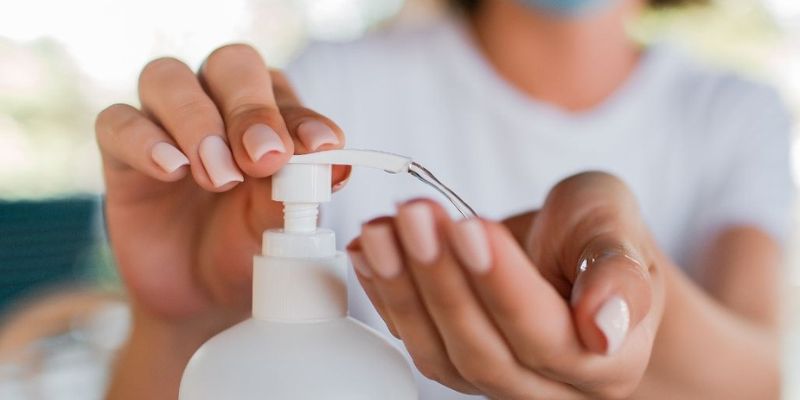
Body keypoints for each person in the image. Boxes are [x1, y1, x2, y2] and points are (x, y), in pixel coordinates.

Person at [97, 0, 792, 398]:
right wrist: (181, 322)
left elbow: (760, 381)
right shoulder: (327, 90)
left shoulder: (733, 113)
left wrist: (622, 289)